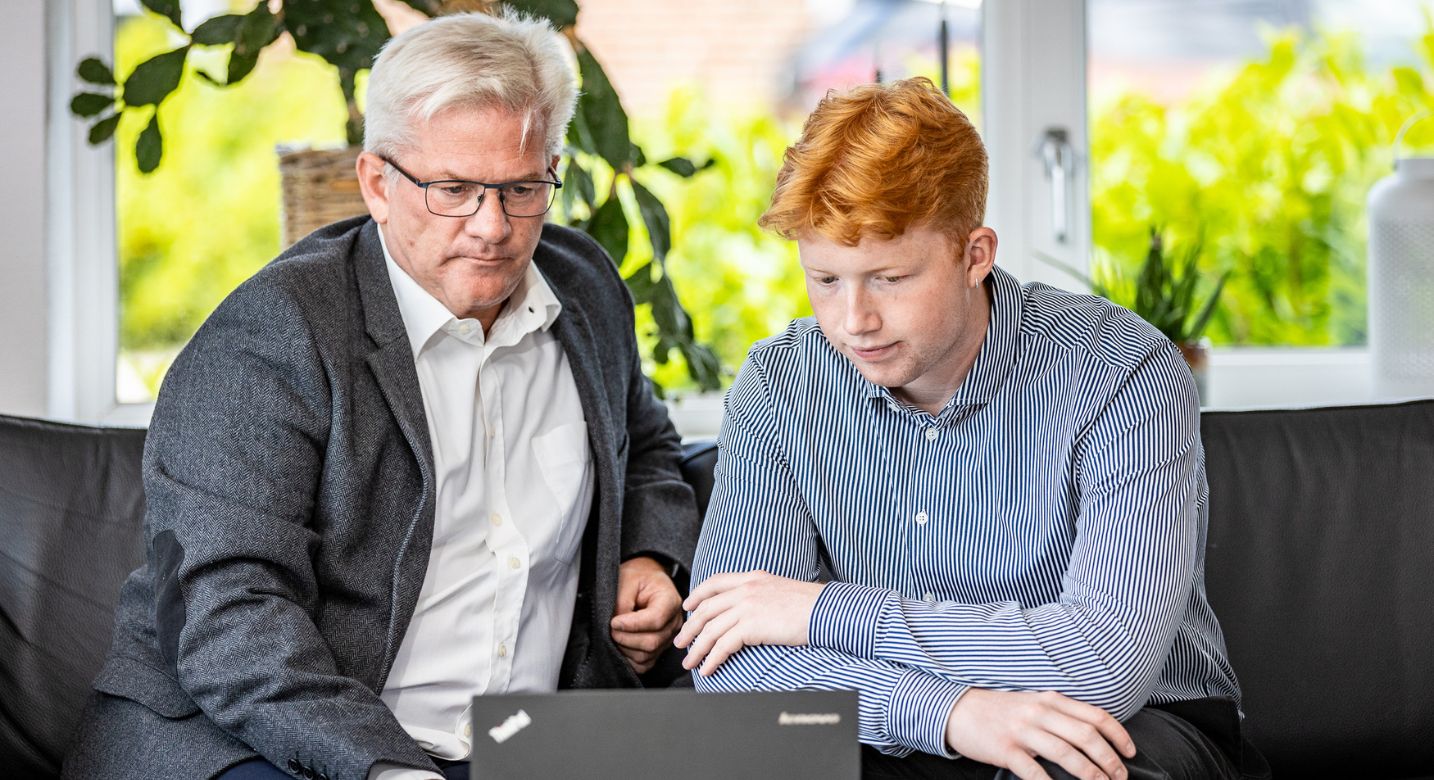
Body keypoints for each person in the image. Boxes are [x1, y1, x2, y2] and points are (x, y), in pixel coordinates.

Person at [64, 11, 699, 780]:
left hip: (519, 744)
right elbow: (229, 614)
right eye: (453, 189)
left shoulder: (586, 287)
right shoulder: (274, 335)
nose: (491, 226)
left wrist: (647, 554)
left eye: (522, 188)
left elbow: (648, 442)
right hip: (260, 741)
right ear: (378, 183)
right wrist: (386, 769)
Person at [676, 77, 1267, 780]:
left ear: (975, 254)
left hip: (1129, 725)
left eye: (889, 278)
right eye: (826, 280)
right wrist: (950, 715)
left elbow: (1105, 663)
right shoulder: (780, 385)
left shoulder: (1122, 370)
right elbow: (729, 662)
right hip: (891, 727)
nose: (853, 321)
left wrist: (822, 613)